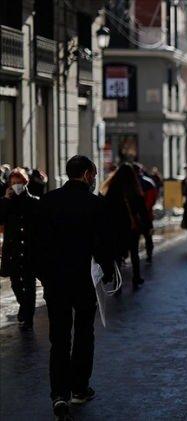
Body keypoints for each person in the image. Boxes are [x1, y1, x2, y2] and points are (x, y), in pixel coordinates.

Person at [35, 156, 114, 420]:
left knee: (58, 338)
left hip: (55, 282)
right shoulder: (95, 204)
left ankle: (59, 394)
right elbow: (103, 245)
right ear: (89, 174)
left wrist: (44, 276)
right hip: (83, 281)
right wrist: (108, 272)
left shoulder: (47, 201)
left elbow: (37, 245)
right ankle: (79, 388)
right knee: (83, 333)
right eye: (93, 174)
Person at [0, 168, 40, 330]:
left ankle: (28, 314)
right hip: (13, 249)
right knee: (15, 283)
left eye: (19, 182)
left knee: (29, 284)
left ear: (25, 183)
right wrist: (5, 200)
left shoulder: (34, 201)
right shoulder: (6, 202)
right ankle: (24, 306)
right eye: (13, 182)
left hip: (30, 249)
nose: (16, 185)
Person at [100, 163, 151, 289]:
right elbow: (142, 209)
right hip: (132, 226)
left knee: (117, 254)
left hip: (116, 226)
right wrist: (147, 224)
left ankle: (118, 281)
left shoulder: (112, 189)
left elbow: (106, 208)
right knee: (134, 252)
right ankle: (136, 277)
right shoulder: (134, 188)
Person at [136, 164, 158, 263]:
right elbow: (151, 200)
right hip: (146, 215)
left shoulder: (130, 183)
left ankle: (135, 256)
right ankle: (149, 255)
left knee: (135, 238)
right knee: (148, 236)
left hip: (135, 216)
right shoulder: (148, 182)